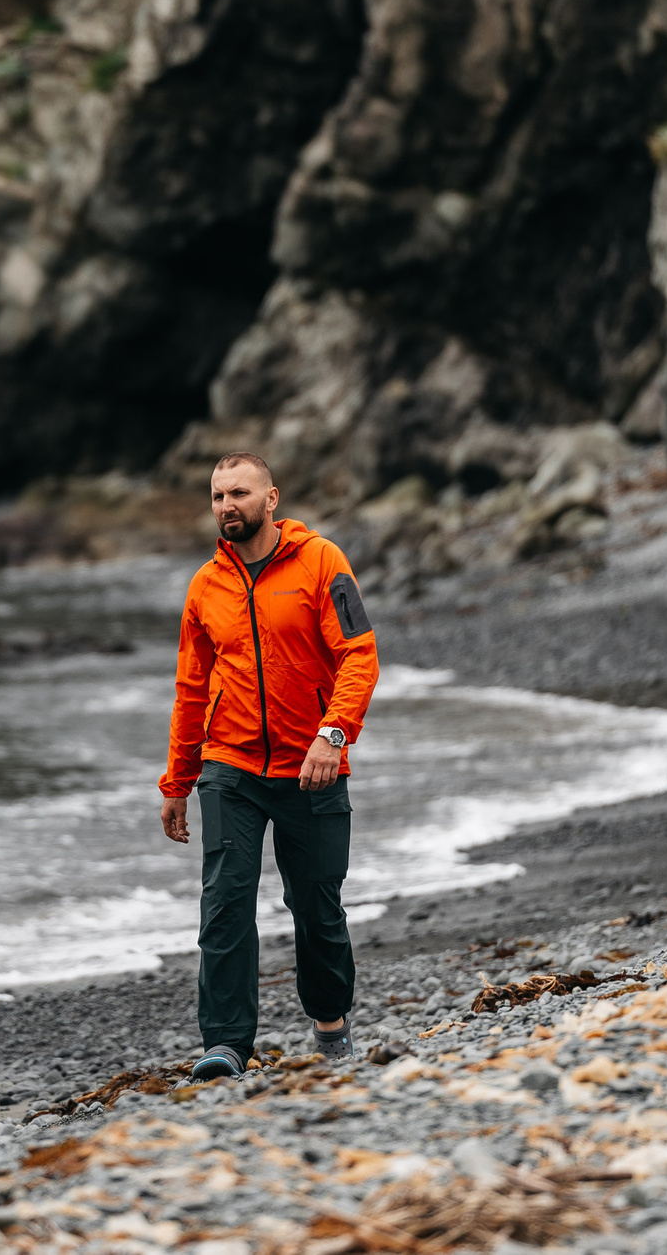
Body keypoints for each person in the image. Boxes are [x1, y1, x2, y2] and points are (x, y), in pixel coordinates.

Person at [159, 451, 378, 1081]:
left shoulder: (322, 562)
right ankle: (227, 1044)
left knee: (316, 905)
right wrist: (177, 781)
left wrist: (332, 736)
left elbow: (359, 656)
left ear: (271, 498)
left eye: (240, 493)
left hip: (313, 765)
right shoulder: (206, 587)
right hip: (229, 767)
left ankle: (331, 1023)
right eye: (218, 495)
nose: (227, 505)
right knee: (224, 904)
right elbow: (191, 690)